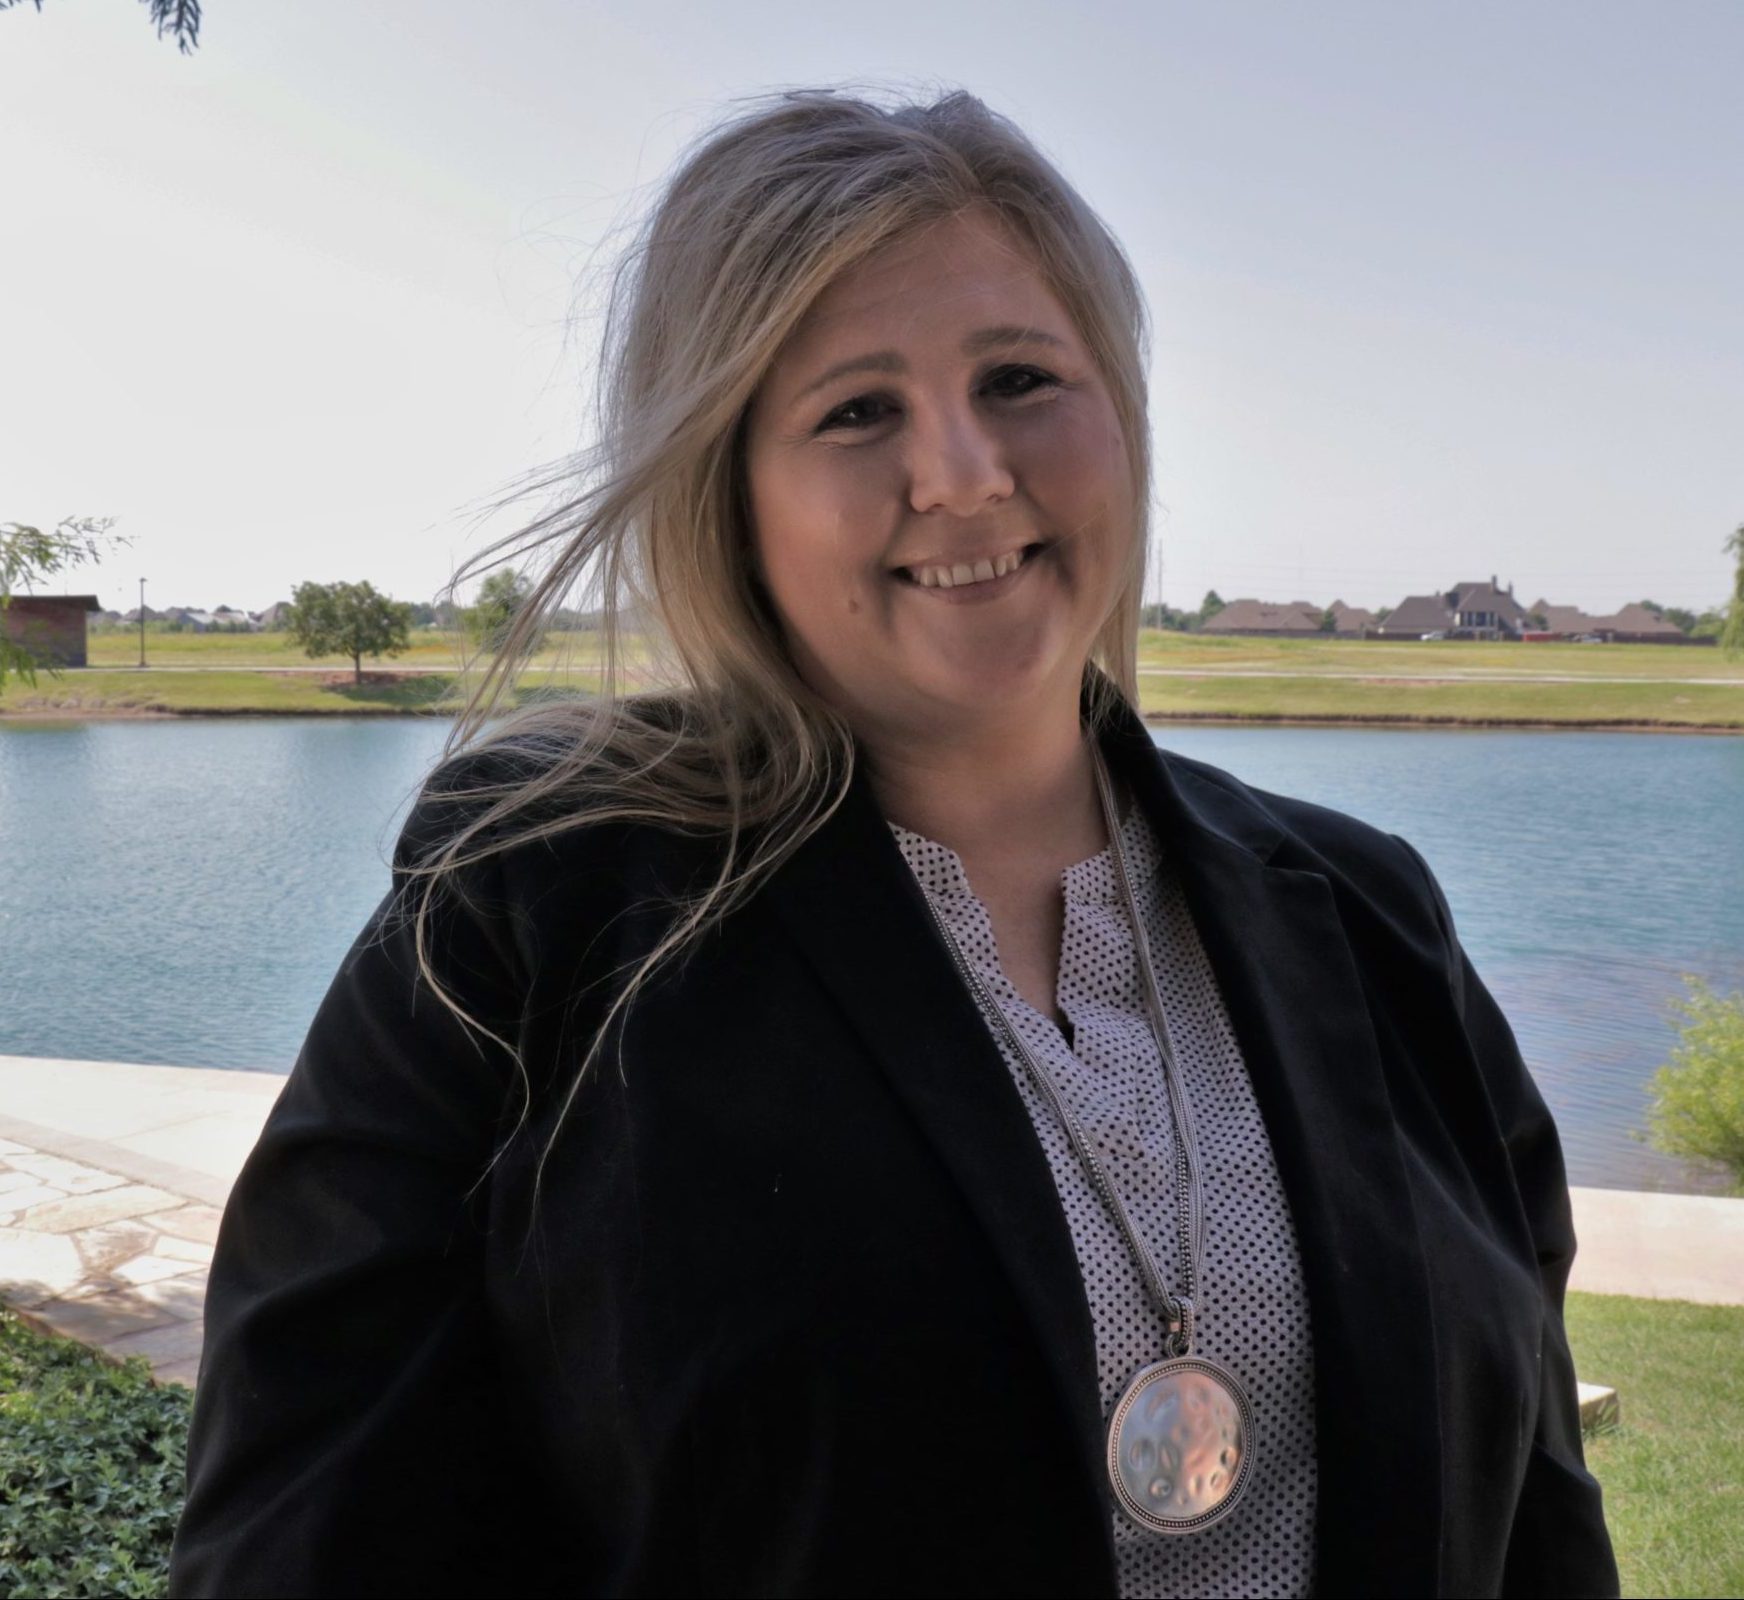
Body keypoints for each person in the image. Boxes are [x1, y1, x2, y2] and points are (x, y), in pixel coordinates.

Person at [169, 90, 1618, 1599]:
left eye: (1020, 378)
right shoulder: (531, 910)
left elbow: (1538, 1523)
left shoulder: (1374, 914)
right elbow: (304, 1535)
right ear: (730, 494)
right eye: (858, 410)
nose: (965, 472)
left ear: (1120, 408)